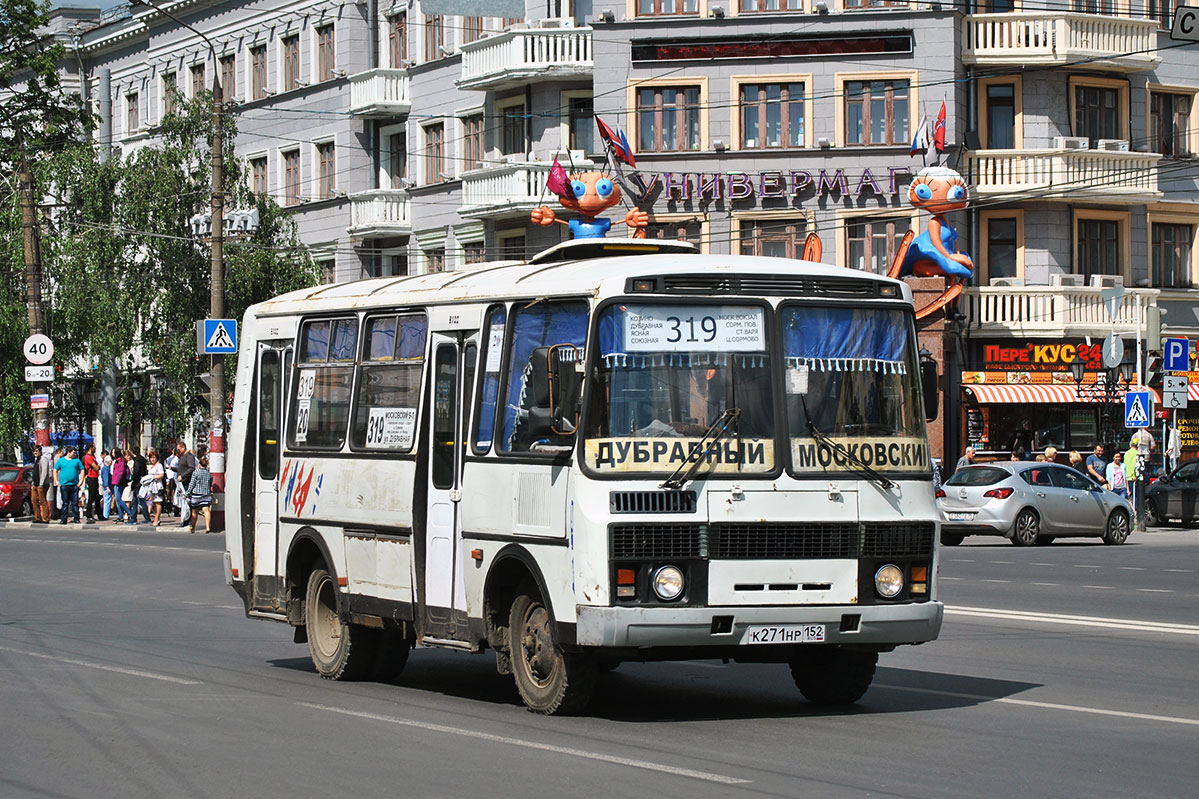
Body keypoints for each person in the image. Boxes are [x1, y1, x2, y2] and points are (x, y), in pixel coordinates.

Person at [54, 447, 83, 525]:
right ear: (68, 452)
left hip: (74, 485)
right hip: (64, 485)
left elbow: (82, 469)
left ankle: (76, 518)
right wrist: (56, 481)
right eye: (73, 452)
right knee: (65, 503)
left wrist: (81, 481)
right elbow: (55, 470)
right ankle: (64, 519)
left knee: (75, 503)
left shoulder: (77, 461)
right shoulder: (61, 460)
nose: (75, 454)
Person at [185, 455, 214, 533]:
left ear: (199, 464)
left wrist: (187, 493)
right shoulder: (209, 473)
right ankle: (208, 527)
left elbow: (192, 484)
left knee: (194, 512)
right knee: (206, 510)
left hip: (196, 495)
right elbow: (210, 483)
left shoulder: (196, 472)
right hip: (206, 494)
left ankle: (193, 528)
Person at [174, 442, 197, 527]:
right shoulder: (182, 457)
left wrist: (182, 476)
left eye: (179, 449)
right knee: (184, 501)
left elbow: (191, 468)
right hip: (182, 482)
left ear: (183, 447)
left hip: (187, 482)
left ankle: (189, 520)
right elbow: (183, 468)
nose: (178, 451)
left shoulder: (189, 456)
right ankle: (185, 520)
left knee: (188, 501)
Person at [142, 449, 165, 526]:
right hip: (151, 487)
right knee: (153, 503)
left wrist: (153, 477)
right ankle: (156, 518)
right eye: (151, 458)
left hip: (157, 486)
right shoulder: (151, 466)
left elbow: (162, 475)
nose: (152, 459)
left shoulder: (159, 465)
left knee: (158, 503)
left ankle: (156, 519)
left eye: (154, 457)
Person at [31, 445, 53, 523]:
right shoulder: (36, 459)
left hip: (42, 484)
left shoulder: (43, 459)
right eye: (34, 451)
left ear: (40, 451)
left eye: (37, 451)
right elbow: (35, 472)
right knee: (34, 500)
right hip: (35, 484)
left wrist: (41, 484)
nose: (35, 453)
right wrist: (33, 483)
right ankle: (38, 518)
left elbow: (44, 472)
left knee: (42, 500)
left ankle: (46, 518)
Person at [129, 447, 150, 524]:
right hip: (139, 483)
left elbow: (137, 472)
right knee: (134, 501)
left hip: (138, 483)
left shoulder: (137, 461)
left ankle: (147, 517)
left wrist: (133, 478)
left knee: (141, 501)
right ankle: (133, 517)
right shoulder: (141, 459)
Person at [82, 444, 103, 522]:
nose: (95, 449)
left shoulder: (93, 457)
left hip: (95, 478)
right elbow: (96, 467)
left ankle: (99, 515)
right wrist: (98, 467)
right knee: (91, 497)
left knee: (97, 498)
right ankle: (88, 515)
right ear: (90, 448)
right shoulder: (88, 457)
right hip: (91, 478)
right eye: (94, 448)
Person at [111, 448, 131, 522]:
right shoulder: (117, 461)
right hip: (116, 481)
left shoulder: (121, 461)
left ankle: (129, 513)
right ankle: (120, 516)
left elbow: (121, 472)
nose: (112, 454)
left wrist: (117, 481)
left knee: (119, 500)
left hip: (119, 482)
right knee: (117, 500)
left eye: (113, 452)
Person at [100, 452, 113, 519]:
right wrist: (107, 487)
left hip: (107, 487)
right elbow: (105, 479)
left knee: (107, 500)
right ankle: (105, 515)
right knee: (107, 501)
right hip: (107, 487)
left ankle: (105, 515)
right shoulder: (105, 469)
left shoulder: (105, 469)